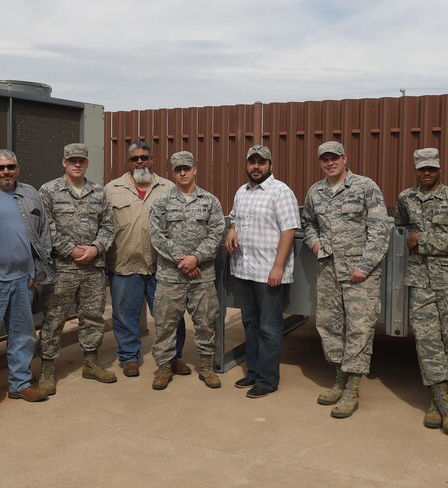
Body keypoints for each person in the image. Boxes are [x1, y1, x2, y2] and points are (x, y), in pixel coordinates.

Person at [301, 141, 390, 418]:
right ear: (320, 163)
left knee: (359, 328)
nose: (330, 163)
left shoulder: (365, 186)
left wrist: (364, 265)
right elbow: (308, 223)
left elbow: (379, 228)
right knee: (329, 325)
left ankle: (352, 386)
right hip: (328, 269)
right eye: (325, 159)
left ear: (345, 159)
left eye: (334, 158)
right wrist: (315, 244)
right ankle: (339, 376)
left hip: (359, 273)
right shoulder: (315, 191)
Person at [0, 149, 54, 421]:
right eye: (0, 168)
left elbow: (44, 234)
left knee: (24, 335)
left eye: (11, 167)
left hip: (22, 281)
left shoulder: (31, 194)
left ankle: (20, 384)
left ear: (18, 169)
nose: (6, 172)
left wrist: (36, 270)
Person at [394, 147, 448, 433]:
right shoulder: (405, 198)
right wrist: (412, 240)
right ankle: (442, 400)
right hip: (420, 280)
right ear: (416, 170)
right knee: (427, 340)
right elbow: (402, 230)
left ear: (440, 169)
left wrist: (423, 241)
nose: (427, 173)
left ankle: (440, 400)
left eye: (432, 168)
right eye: (422, 169)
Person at [105, 141, 188, 378]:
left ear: (152, 160)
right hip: (124, 264)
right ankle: (129, 357)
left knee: (170, 315)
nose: (139, 162)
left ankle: (173, 357)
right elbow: (103, 225)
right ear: (127, 162)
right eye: (134, 159)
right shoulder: (112, 189)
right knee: (124, 314)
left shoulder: (168, 188)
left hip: (161, 266)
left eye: (144, 157)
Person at [38, 143, 116, 392]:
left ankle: (91, 363)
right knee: (54, 318)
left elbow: (108, 227)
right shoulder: (49, 191)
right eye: (72, 160)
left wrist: (95, 248)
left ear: (87, 163)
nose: (77, 164)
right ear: (64, 162)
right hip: (63, 268)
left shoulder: (98, 192)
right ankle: (48, 368)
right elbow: (46, 228)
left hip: (93, 267)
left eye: (81, 160)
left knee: (93, 317)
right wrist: (70, 249)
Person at [224, 145, 299, 399]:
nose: (256, 166)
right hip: (245, 269)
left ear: (271, 165)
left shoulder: (281, 192)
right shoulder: (241, 192)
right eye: (252, 162)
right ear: (246, 165)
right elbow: (235, 217)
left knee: (269, 327)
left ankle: (267, 380)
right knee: (250, 323)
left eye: (262, 162)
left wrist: (278, 267)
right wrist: (232, 228)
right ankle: (254, 371)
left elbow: (289, 230)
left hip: (268, 273)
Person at [149, 151, 225, 390]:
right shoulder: (161, 202)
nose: (182, 172)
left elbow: (216, 234)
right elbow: (156, 235)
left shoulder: (210, 201)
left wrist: (196, 258)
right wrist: (183, 260)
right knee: (165, 324)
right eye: (178, 169)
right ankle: (164, 368)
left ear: (195, 169)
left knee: (205, 323)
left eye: (186, 168)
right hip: (170, 276)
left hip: (202, 276)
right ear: (173, 172)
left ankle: (206, 367)